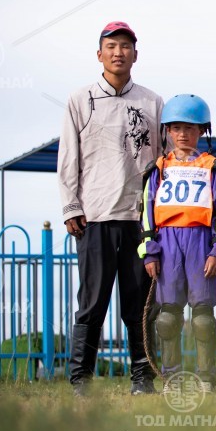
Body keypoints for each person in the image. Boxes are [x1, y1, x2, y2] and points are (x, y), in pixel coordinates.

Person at [58, 21, 162, 396]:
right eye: (112, 46)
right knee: (92, 304)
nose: (119, 52)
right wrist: (71, 206)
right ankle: (81, 381)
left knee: (140, 305)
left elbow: (163, 160)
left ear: (136, 55)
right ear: (99, 54)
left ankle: (143, 379)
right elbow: (68, 156)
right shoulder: (80, 99)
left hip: (140, 219)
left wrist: (162, 216)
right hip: (96, 216)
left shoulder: (152, 102)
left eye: (126, 46)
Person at [138, 95, 216, 393]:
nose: (182, 134)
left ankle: (206, 378)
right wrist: (149, 252)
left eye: (190, 128)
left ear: (202, 131)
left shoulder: (212, 167)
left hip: (200, 242)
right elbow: (146, 212)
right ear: (167, 130)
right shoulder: (157, 168)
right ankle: (172, 378)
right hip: (167, 244)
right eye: (176, 128)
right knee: (167, 317)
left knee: (203, 318)